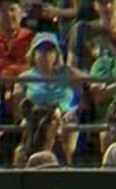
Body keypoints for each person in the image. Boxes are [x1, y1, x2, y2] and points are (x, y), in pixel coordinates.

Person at [16, 31, 81, 164]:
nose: (45, 55)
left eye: (50, 51)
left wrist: (73, 109)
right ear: (33, 54)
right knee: (41, 122)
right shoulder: (25, 77)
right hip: (35, 117)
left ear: (56, 55)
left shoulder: (66, 73)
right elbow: (19, 105)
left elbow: (85, 92)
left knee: (67, 126)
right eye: (40, 51)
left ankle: (64, 165)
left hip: (65, 115)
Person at [67, 0, 116, 70]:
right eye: (103, 2)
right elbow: (71, 67)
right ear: (95, 6)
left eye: (111, 1)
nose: (108, 6)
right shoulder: (83, 30)